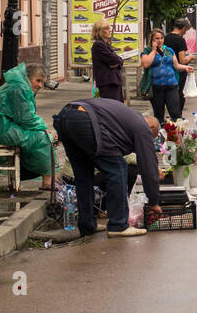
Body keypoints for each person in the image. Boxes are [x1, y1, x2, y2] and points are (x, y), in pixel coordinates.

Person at [53, 98, 163, 237]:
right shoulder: (142, 127)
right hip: (84, 119)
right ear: (151, 128)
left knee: (84, 173)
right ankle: (118, 225)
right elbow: (148, 165)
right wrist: (153, 202)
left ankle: (87, 225)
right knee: (118, 168)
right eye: (150, 137)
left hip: (64, 115)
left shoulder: (125, 118)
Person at [0, 61, 56, 190]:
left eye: (42, 82)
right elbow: (26, 118)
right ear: (28, 77)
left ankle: (51, 179)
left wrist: (43, 128)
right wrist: (45, 129)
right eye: (37, 80)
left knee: (43, 135)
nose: (40, 85)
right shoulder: (20, 88)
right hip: (0, 129)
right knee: (43, 138)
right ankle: (48, 182)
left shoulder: (17, 85)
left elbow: (24, 116)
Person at [140, 29, 193, 125]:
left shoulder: (169, 50)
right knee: (159, 116)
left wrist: (185, 67)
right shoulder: (147, 51)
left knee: (175, 114)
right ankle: (161, 136)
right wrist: (154, 50)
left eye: (161, 38)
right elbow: (146, 64)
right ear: (152, 40)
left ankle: (176, 135)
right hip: (156, 87)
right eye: (157, 38)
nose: (159, 40)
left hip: (171, 85)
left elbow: (176, 65)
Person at [91, 19, 125, 103]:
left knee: (118, 108)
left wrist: (118, 62)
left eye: (109, 28)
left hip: (113, 81)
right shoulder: (99, 45)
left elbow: (118, 61)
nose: (109, 30)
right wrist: (117, 62)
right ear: (99, 31)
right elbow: (114, 60)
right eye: (106, 28)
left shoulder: (105, 44)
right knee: (112, 109)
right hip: (107, 83)